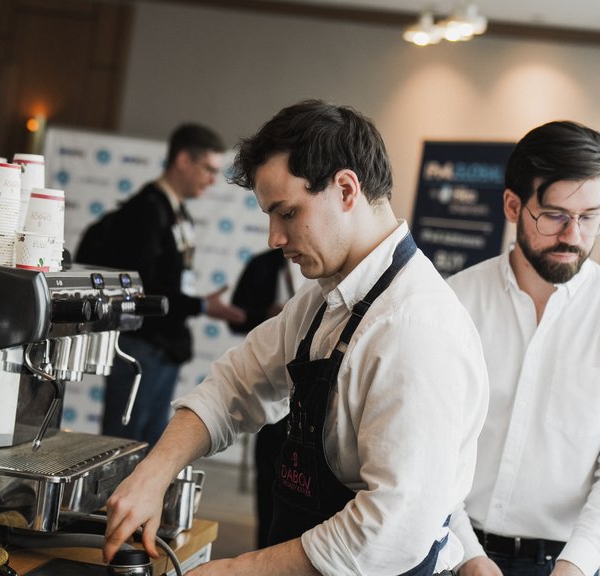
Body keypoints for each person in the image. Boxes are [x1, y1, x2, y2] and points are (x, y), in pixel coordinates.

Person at [103, 100, 489, 575]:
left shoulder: (414, 329)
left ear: (346, 189)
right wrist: (153, 474)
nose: (274, 237)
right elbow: (233, 387)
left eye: (287, 213)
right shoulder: (322, 302)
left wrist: (234, 571)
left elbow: (392, 530)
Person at [448, 121, 600, 576]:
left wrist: (577, 563)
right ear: (513, 205)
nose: (574, 235)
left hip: (565, 561)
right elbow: (424, 444)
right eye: (554, 215)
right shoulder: (452, 304)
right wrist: (467, 554)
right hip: (447, 546)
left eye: (590, 216)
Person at [92, 123, 245, 447]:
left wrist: (198, 303)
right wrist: (201, 305)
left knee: (146, 446)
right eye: (207, 168)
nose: (212, 179)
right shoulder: (145, 211)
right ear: (182, 160)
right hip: (141, 346)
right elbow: (143, 288)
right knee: (122, 446)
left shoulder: (177, 213)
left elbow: (169, 283)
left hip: (163, 347)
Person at [225, 247, 303, 549]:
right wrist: (267, 317)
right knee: (269, 476)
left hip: (316, 397)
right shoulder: (262, 265)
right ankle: (263, 550)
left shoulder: (335, 273)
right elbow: (238, 317)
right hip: (273, 387)